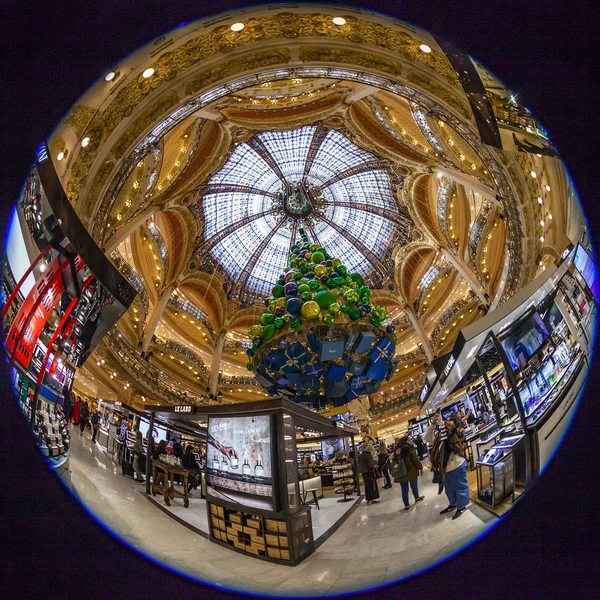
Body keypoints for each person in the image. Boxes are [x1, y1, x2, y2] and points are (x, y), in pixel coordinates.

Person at [427, 412, 470, 520]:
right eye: (448, 420)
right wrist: (433, 423)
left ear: (456, 423)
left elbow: (450, 437)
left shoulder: (458, 432)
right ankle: (453, 504)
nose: (448, 422)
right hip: (445, 468)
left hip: (457, 465)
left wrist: (442, 422)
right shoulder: (441, 434)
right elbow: (428, 438)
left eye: (451, 420)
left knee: (460, 487)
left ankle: (462, 506)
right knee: (449, 489)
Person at [391, 436, 424, 511]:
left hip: (401, 473)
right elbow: (415, 460)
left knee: (404, 490)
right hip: (411, 470)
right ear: (405, 441)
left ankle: (406, 505)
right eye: (409, 440)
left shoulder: (397, 451)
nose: (411, 441)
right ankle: (417, 498)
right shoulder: (410, 449)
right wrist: (420, 468)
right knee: (414, 486)